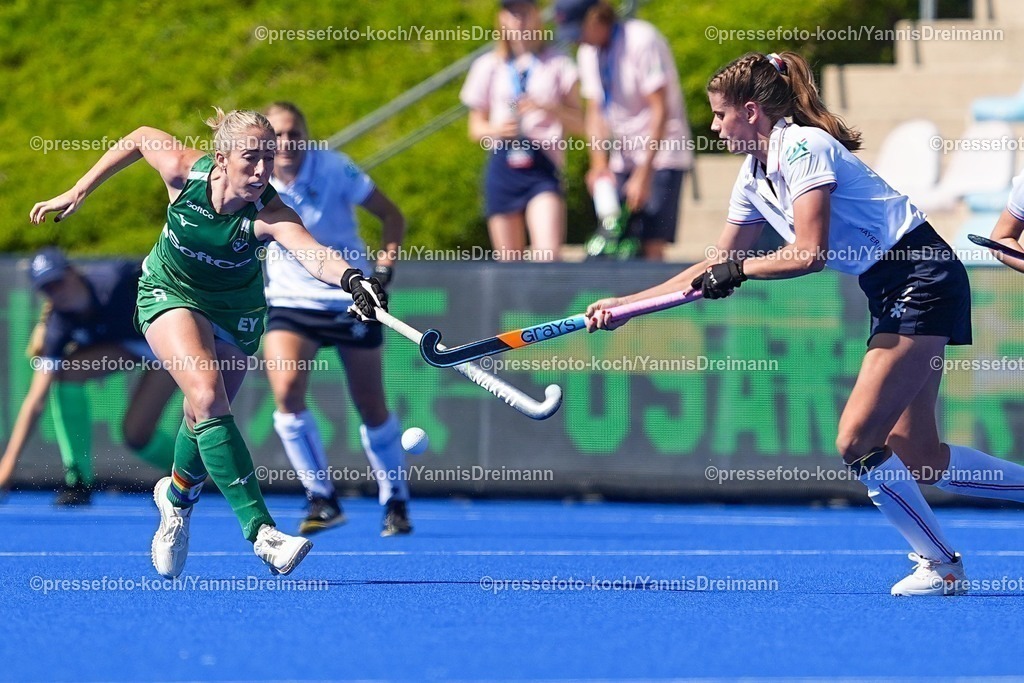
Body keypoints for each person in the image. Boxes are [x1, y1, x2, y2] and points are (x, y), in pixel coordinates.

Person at [588, 51, 1024, 597]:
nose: (714, 127)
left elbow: (808, 253)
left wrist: (739, 269)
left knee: (856, 440)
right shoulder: (752, 177)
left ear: (751, 111)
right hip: (890, 286)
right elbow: (709, 266)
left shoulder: (803, 146)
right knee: (921, 458)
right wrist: (625, 306)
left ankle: (940, 565)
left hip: (921, 274)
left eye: (720, 116)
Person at [29, 109, 389, 578]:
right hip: (167, 290)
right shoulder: (183, 170)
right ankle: (262, 532)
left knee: (202, 417)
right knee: (205, 395)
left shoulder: (271, 211)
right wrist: (79, 189)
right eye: (250, 159)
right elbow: (139, 136)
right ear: (221, 159)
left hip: (235, 312)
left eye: (268, 158)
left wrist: (352, 279)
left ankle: (176, 499)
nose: (262, 172)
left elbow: (312, 252)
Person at [262, 102, 412, 537]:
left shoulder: (336, 169)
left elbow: (392, 216)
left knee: (370, 404)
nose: (287, 143)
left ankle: (395, 498)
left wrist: (383, 272)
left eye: (294, 133)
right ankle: (322, 498)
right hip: (290, 301)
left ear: (306, 135)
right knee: (286, 391)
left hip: (351, 296)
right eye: (278, 135)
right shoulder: (256, 177)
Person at [0, 248, 178, 505]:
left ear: (73, 272)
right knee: (69, 375)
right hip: (133, 349)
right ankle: (80, 481)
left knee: (142, 432)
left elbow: (169, 264)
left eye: (58, 281)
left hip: (176, 348)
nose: (57, 292)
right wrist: (7, 466)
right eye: (47, 288)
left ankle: (199, 469)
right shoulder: (58, 326)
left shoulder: (115, 278)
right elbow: (35, 401)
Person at [557, 0, 693, 261]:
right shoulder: (589, 52)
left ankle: (654, 300)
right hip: (623, 155)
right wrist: (598, 166)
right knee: (615, 240)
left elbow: (660, 109)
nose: (577, 41)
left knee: (651, 242)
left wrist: (644, 174)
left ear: (596, 19)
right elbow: (595, 110)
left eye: (579, 31)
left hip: (662, 154)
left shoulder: (641, 39)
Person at [460, 0, 583, 261]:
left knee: (547, 255)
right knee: (509, 261)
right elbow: (475, 128)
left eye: (525, 12)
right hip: (504, 163)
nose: (519, 20)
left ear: (537, 16)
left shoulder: (558, 63)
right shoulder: (488, 65)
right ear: (502, 19)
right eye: (512, 13)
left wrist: (551, 108)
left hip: (543, 165)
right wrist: (496, 129)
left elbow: (583, 124)